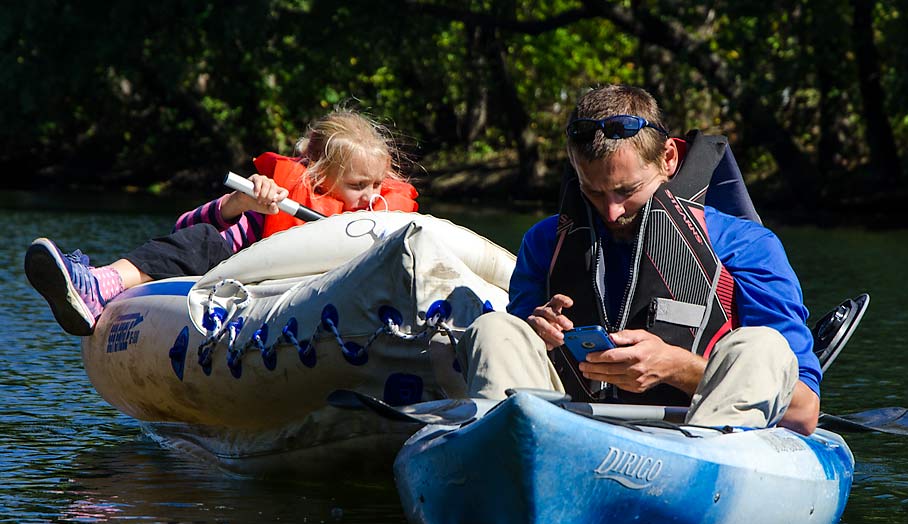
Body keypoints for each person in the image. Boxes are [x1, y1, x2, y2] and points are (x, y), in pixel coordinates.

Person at [458, 85, 821, 435]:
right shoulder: (543, 242)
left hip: (700, 440)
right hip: (561, 432)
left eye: (626, 191)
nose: (612, 212)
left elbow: (803, 410)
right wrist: (537, 335)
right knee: (497, 329)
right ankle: (507, 458)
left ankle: (705, 469)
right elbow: (515, 352)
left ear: (668, 160)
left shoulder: (748, 245)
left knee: (763, 345)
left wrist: (676, 368)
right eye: (594, 192)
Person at [24, 108, 419, 337]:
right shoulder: (277, 200)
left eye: (376, 183)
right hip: (257, 292)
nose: (369, 194)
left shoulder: (384, 215)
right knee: (203, 239)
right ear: (318, 175)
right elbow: (186, 225)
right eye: (356, 185)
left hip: (341, 306)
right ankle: (99, 285)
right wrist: (242, 202)